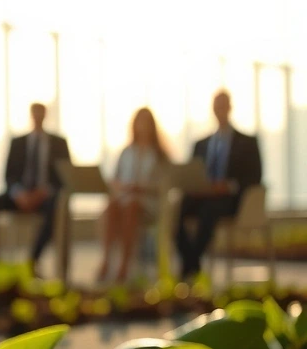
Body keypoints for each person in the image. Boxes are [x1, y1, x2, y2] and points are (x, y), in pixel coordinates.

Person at [176, 89, 262, 280]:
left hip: (230, 199)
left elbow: (255, 176)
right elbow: (192, 173)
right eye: (217, 106)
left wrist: (228, 185)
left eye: (223, 105)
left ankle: (189, 265)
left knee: (210, 209)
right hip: (202, 195)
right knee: (177, 208)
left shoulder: (247, 142)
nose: (220, 110)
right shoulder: (201, 143)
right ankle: (192, 263)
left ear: (230, 107)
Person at [0, 103, 71, 271]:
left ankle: (32, 261)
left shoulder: (59, 143)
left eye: (41, 113)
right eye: (35, 113)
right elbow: (8, 176)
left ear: (45, 115)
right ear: (31, 115)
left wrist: (44, 192)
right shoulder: (18, 142)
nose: (38, 116)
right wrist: (19, 193)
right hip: (19, 196)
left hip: (45, 197)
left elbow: (66, 177)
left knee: (56, 209)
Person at [96, 107, 170, 284]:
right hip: (125, 199)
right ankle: (106, 260)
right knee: (113, 206)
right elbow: (115, 179)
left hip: (150, 203)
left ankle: (124, 265)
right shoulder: (126, 152)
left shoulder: (160, 155)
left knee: (132, 207)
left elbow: (165, 185)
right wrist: (124, 187)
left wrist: (142, 188)